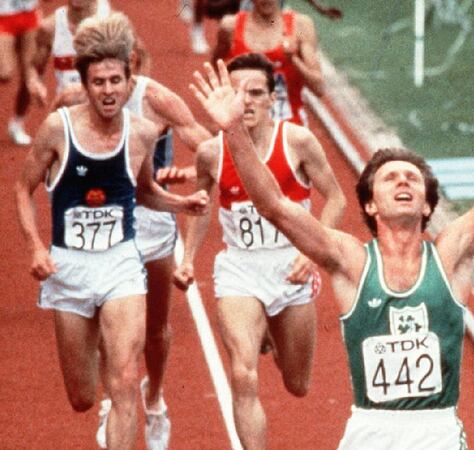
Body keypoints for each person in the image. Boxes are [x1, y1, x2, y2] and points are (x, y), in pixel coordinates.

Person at [190, 8, 474, 449]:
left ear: (427, 204)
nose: (403, 182)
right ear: (371, 204)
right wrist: (235, 133)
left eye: (412, 178)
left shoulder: (451, 254)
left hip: (436, 430)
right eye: (390, 177)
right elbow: (275, 207)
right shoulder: (353, 261)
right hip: (370, 430)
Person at [14, 12, 208, 450]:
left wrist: (182, 203)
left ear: (129, 79)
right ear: (84, 83)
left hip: (121, 263)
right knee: (83, 397)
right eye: (98, 82)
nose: (108, 91)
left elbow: (144, 192)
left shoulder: (141, 133)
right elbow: (22, 188)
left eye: (115, 81)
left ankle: (132, 406)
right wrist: (35, 248)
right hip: (69, 267)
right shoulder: (58, 128)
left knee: (123, 381)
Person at [174, 52, 346, 449]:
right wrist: (187, 259)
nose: (245, 101)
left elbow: (336, 198)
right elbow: (202, 205)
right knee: (243, 374)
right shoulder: (211, 152)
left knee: (297, 383)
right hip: (240, 268)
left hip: (291, 266)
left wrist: (313, 250)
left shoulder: (297, 142)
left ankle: (269, 331)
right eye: (236, 92)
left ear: (272, 98)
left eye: (254, 92)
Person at [213, 0, 324, 127]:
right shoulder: (231, 26)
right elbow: (217, 67)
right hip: (243, 126)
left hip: (289, 126)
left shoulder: (300, 26)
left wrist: (293, 59)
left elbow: (319, 88)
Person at [0, 0, 40, 145]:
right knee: (5, 73)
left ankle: (17, 124)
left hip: (29, 16)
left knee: (29, 75)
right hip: (3, 17)